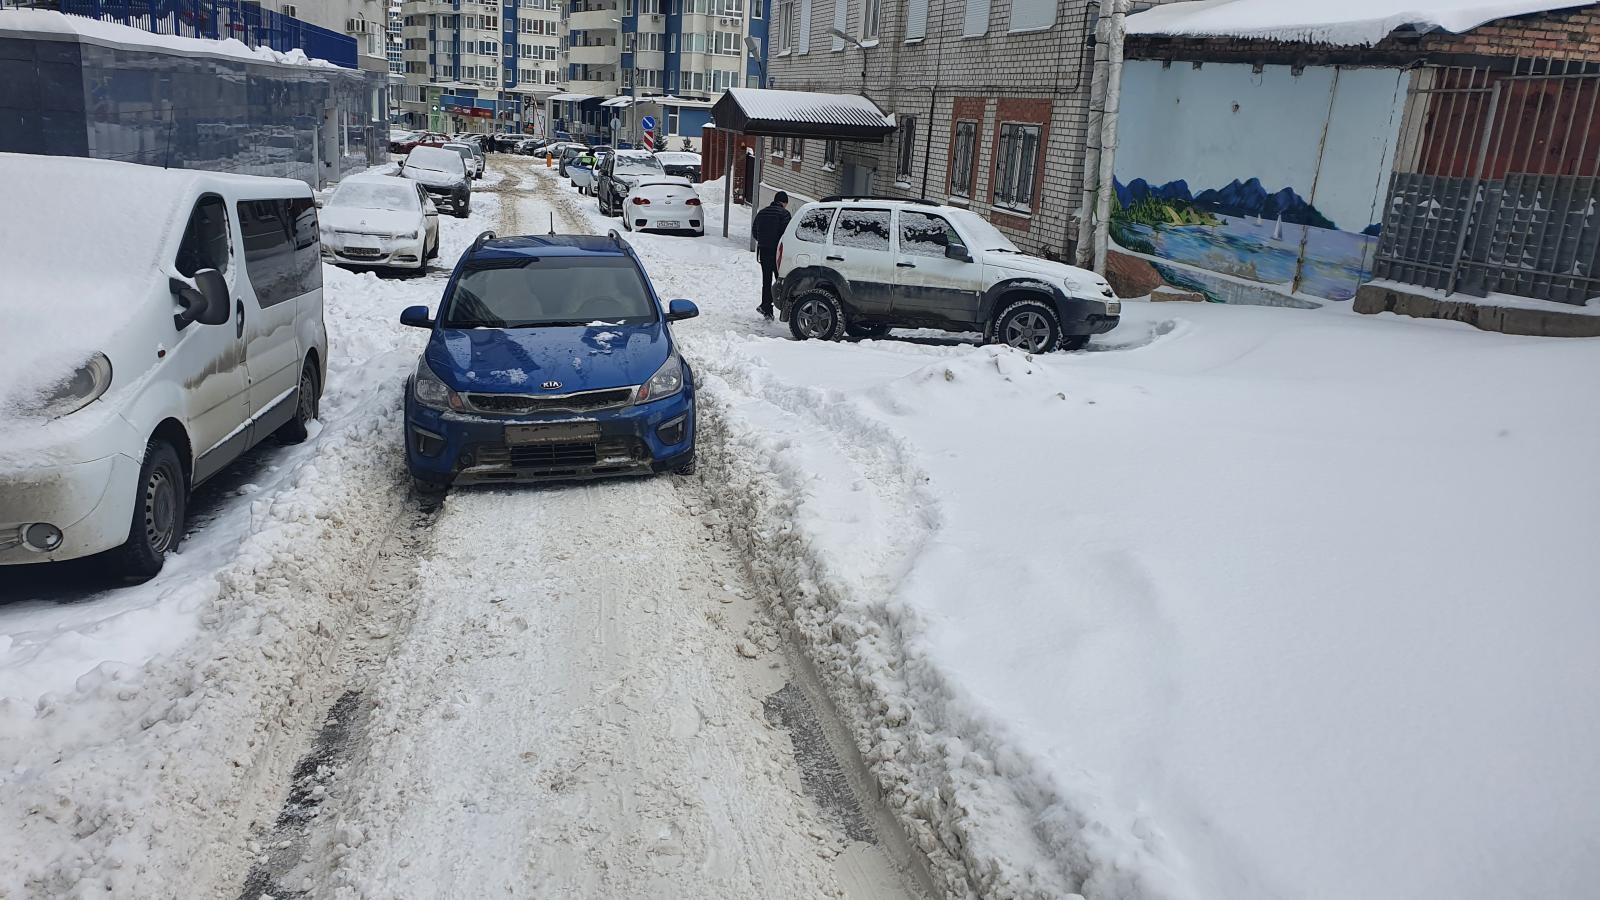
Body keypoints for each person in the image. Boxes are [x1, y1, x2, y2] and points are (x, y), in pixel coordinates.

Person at [752, 191, 791, 320]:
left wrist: (763, 241)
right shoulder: (784, 214)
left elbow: (755, 232)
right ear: (784, 203)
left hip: (763, 251)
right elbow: (787, 234)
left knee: (766, 280)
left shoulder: (762, 213)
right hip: (778, 253)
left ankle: (766, 307)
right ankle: (784, 308)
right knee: (780, 280)